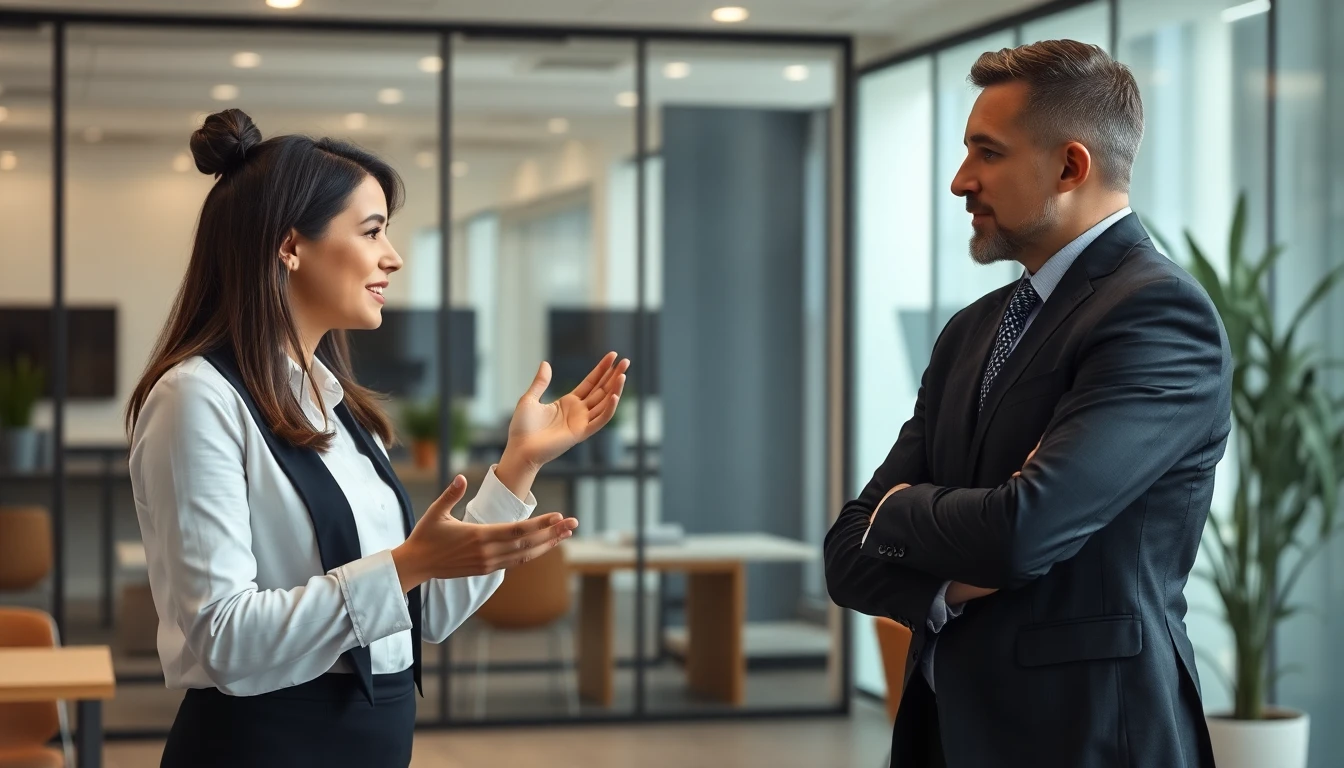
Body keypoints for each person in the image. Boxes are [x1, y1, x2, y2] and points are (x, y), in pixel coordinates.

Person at [126, 108, 629, 768]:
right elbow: (224, 638)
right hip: (264, 746)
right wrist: (406, 565)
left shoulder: (340, 408)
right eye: (371, 231)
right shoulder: (196, 398)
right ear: (290, 246)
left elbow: (423, 614)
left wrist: (518, 466)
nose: (392, 256)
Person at [824, 40, 1230, 767]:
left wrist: (902, 511)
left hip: (1085, 738)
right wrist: (960, 539)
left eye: (988, 153)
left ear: (1071, 167)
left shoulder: (1158, 314)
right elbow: (847, 555)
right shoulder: (971, 329)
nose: (960, 180)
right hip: (943, 735)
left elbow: (1020, 533)